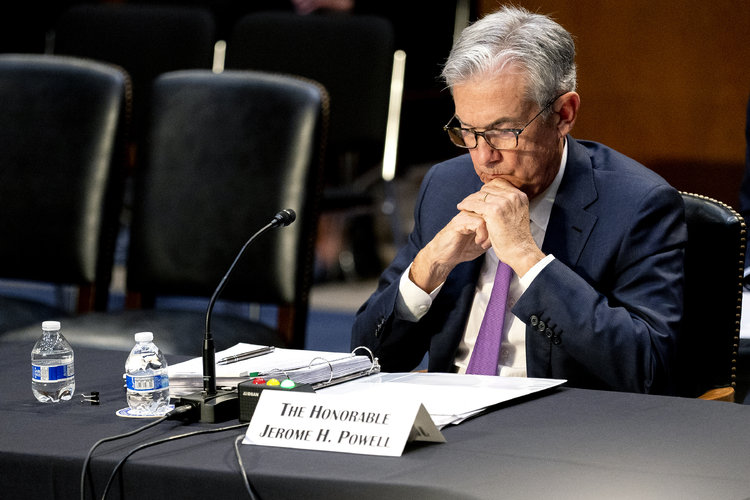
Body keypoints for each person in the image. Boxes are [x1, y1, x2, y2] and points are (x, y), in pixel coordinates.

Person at [351, 6, 687, 395]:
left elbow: (647, 370)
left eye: (503, 131)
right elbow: (368, 355)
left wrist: (528, 258)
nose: (482, 157)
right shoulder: (446, 184)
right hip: (449, 417)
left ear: (564, 114)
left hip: (561, 430)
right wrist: (430, 266)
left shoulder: (638, 205)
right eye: (467, 132)